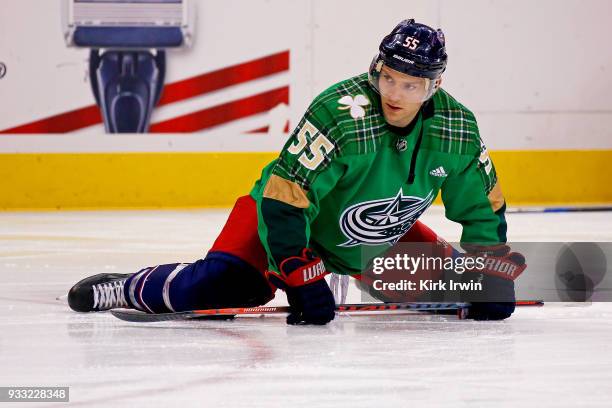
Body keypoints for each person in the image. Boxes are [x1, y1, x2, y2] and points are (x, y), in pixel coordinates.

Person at [68, 19, 526, 324]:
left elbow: (483, 206)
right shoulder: (341, 111)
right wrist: (298, 272)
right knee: (226, 286)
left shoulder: (458, 128)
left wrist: (490, 270)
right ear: (376, 70)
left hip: (374, 239)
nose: (396, 93)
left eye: (411, 84)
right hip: (282, 225)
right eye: (388, 77)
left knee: (474, 286)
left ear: (434, 86)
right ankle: (128, 287)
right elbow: (286, 196)